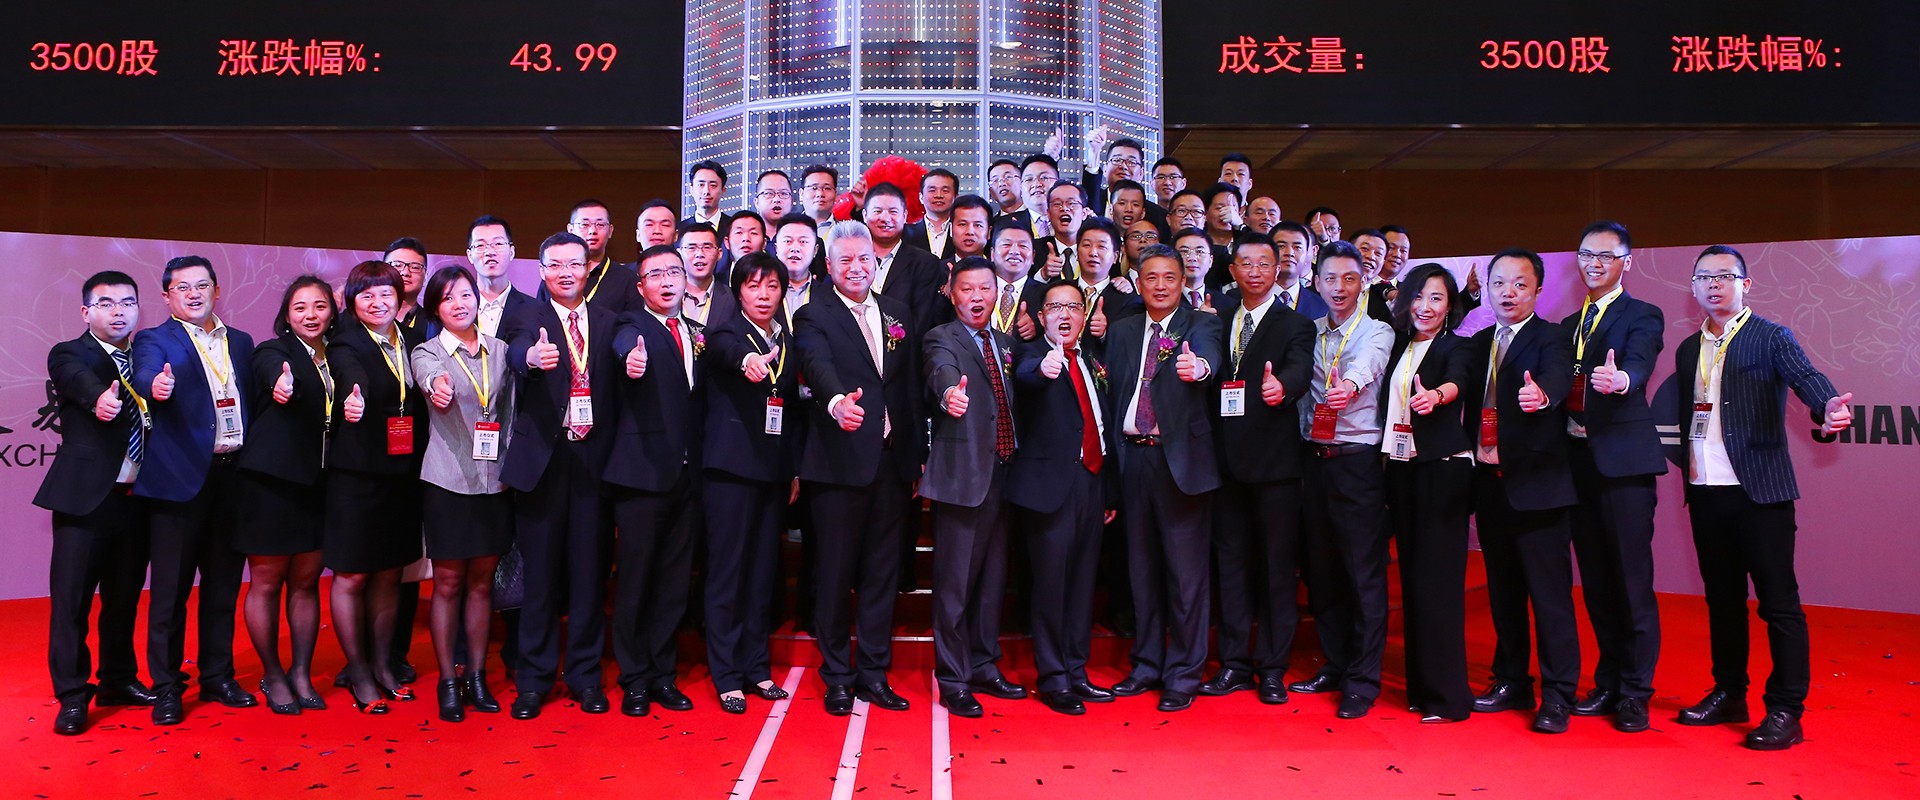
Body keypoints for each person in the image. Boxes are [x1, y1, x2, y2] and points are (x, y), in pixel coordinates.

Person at [1671, 244, 1850, 751]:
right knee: (1722, 601)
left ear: (1745, 285)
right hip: (1705, 491)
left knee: (1779, 604)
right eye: (1703, 277)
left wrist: (1827, 407)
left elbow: (1807, 379)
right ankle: (1730, 693)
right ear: (1693, 288)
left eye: (1724, 276)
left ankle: (1786, 710)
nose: (1713, 284)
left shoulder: (1771, 336)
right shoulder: (1687, 349)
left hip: (1761, 494)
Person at [793, 220, 926, 716]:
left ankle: (873, 673)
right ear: (828, 266)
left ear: (876, 261)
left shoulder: (897, 312)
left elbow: (907, 386)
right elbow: (817, 364)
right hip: (838, 463)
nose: (856, 267)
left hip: (892, 462)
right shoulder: (813, 313)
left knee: (881, 574)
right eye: (845, 259)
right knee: (834, 573)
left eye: (864, 258)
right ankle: (837, 676)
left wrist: (916, 453)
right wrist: (834, 403)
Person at [131, 255, 258, 725]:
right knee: (170, 593)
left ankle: (217, 676)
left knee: (223, 588)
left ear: (216, 290)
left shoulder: (241, 342)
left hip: (233, 478)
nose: (193, 294)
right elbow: (145, 373)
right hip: (179, 482)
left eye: (202, 286)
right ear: (167, 296)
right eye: (182, 288)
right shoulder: (153, 339)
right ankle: (167, 686)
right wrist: (156, 385)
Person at [500, 232, 621, 720]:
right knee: (541, 579)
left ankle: (586, 676)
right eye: (555, 264)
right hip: (543, 466)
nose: (566, 272)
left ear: (589, 267)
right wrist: (530, 359)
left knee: (590, 575)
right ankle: (534, 679)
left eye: (575, 263)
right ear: (542, 271)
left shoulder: (610, 321)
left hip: (594, 463)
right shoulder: (526, 316)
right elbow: (516, 352)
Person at [1462, 248, 1581, 735]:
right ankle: (1511, 680)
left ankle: (1558, 694)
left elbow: (1557, 377)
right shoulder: (1479, 342)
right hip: (1490, 485)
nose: (1508, 293)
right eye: (1499, 284)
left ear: (1537, 290)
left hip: (1539, 489)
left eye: (1519, 284)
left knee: (1549, 598)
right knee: (1504, 593)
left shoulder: (1553, 338)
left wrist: (1542, 394)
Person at [1104, 244, 1223, 713]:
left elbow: (1209, 359)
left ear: (1183, 281)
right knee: (1141, 570)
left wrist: (1200, 368)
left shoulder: (1201, 324)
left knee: (1185, 575)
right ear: (1138, 283)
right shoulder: (1123, 329)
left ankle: (1184, 673)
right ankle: (1146, 664)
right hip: (1132, 460)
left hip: (1181, 465)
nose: (1159, 285)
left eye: (1169, 277)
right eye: (1150, 277)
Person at [1559, 221, 1668, 733]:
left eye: (1606, 255)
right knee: (1598, 582)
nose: (1594, 264)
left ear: (1627, 261)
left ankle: (1636, 692)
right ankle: (1607, 682)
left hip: (1624, 464)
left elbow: (1641, 360)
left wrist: (1623, 379)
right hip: (1576, 464)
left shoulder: (1643, 314)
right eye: (1587, 254)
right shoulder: (1568, 324)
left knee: (1631, 581)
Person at [37, 271, 156, 735]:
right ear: (87, 312)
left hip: (139, 498)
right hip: (86, 498)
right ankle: (72, 694)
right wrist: (98, 401)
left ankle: (118, 680)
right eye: (106, 303)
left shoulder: (149, 357)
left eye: (128, 303)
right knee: (72, 602)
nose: (119, 311)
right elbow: (77, 380)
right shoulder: (70, 352)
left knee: (124, 599)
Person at [1200, 235, 1314, 706]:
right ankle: (1233, 664)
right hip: (1224, 466)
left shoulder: (1295, 323)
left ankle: (1271, 667)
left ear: (1277, 269)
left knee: (1275, 570)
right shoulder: (1217, 317)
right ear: (1232, 270)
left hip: (1274, 468)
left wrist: (1282, 386)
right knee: (1230, 567)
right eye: (1245, 263)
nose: (1254, 271)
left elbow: (1300, 368)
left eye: (1264, 263)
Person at [1288, 241, 1394, 719]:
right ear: (1316, 282)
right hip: (1314, 460)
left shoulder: (1377, 330)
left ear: (1363, 282)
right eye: (1330, 278)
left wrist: (1348, 385)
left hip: (1357, 463)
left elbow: (1368, 364)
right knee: (1324, 571)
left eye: (1349, 278)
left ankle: (1362, 681)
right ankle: (1335, 663)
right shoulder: (1307, 331)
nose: (1339, 287)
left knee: (1363, 573)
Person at [923, 258, 1026, 718]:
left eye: (985, 288)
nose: (977, 296)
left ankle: (984, 664)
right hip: (963, 478)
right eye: (967, 289)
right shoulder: (941, 338)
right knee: (955, 586)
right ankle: (953, 678)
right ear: (952, 294)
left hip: (1004, 476)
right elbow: (940, 371)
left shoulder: (1004, 342)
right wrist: (950, 394)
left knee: (991, 582)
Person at [606, 245, 706, 717]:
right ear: (641, 285)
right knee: (637, 580)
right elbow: (623, 344)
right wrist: (631, 358)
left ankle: (663, 674)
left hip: (688, 477)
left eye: (674, 272)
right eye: (656, 274)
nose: (667, 281)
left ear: (686, 281)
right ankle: (634, 678)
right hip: (642, 476)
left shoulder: (696, 332)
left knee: (673, 581)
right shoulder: (632, 325)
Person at [411, 265, 515, 723]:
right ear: (436, 308)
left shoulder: (501, 350)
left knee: (482, 584)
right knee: (449, 583)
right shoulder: (427, 351)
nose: (459, 304)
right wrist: (438, 386)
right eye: (448, 298)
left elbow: (510, 409)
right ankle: (447, 681)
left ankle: (477, 676)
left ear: (478, 300)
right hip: (448, 482)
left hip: (496, 482)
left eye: (466, 295)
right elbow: (428, 375)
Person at [324, 261, 428, 714]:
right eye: (366, 295)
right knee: (352, 574)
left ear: (399, 298)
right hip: (358, 477)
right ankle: (359, 672)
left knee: (389, 573)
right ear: (352, 302)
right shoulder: (346, 341)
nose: (377, 302)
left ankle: (384, 665)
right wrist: (355, 396)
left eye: (385, 293)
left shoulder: (410, 340)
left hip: (402, 477)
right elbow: (352, 375)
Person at [700, 252, 801, 714]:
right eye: (753, 286)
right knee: (728, 573)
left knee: (762, 574)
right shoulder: (726, 332)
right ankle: (726, 676)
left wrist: (792, 469)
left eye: (772, 286)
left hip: (773, 473)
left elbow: (791, 410)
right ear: (738, 291)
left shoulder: (785, 338)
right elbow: (723, 349)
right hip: (731, 473)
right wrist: (747, 360)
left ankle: (756, 667)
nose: (763, 295)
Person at [233, 275, 338, 715]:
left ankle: (300, 672)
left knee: (306, 583)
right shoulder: (273, 351)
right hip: (270, 484)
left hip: (319, 484)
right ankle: (273, 674)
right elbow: (270, 372)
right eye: (300, 307)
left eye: (319, 306)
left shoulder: (339, 355)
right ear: (287, 315)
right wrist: (282, 383)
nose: (310, 315)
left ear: (332, 311)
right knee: (267, 582)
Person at [1010, 281, 1116, 715]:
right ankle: (1054, 678)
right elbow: (1026, 376)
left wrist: (1108, 490)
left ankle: (1076, 670)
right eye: (1056, 307)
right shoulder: (1032, 355)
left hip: (1091, 482)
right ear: (1041, 316)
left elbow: (1104, 428)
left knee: (1082, 584)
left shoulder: (1092, 360)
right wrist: (1044, 367)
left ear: (1085, 314)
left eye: (1074, 306)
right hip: (1050, 490)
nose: (1065, 314)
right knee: (1051, 586)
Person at [1378, 263, 1476, 723]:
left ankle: (1449, 699)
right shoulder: (1399, 345)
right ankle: (1421, 689)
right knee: (1414, 581)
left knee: (1438, 586)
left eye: (1436, 298)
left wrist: (1436, 395)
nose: (1425, 306)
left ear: (1450, 305)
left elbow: (1458, 380)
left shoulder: (1458, 346)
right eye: (1418, 296)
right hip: (1401, 470)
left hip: (1443, 471)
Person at [865, 182, 945, 335]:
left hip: (905, 346)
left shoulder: (925, 263)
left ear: (905, 216)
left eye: (893, 211)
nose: (885, 218)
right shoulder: (852, 260)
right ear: (865, 215)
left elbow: (921, 321)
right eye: (877, 211)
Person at [558, 199, 645, 316]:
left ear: (610, 231)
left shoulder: (627, 279)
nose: (592, 231)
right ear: (570, 230)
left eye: (600, 224)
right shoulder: (555, 274)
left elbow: (634, 322)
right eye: (584, 225)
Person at [678, 223, 738, 326]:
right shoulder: (667, 294)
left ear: (719, 253)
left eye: (707, 247)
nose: (699, 254)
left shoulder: (733, 299)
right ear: (679, 254)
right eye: (691, 248)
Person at [1271, 221, 1329, 320]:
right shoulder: (1248, 298)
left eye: (1297, 247)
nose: (1289, 253)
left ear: (1307, 254)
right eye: (1281, 246)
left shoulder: (1322, 308)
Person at [902, 168, 959, 260]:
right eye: (932, 190)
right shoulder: (904, 232)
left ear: (955, 197)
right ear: (921, 197)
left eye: (945, 190)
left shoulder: (962, 233)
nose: (939, 195)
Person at [384, 238, 430, 333]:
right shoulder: (364, 317)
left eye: (415, 267)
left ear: (425, 277)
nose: (405, 272)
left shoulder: (435, 325)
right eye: (397, 265)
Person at [683, 160, 729, 232]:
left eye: (713, 185)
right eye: (701, 185)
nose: (706, 191)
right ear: (691, 189)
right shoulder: (680, 230)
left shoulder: (733, 227)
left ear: (723, 190)